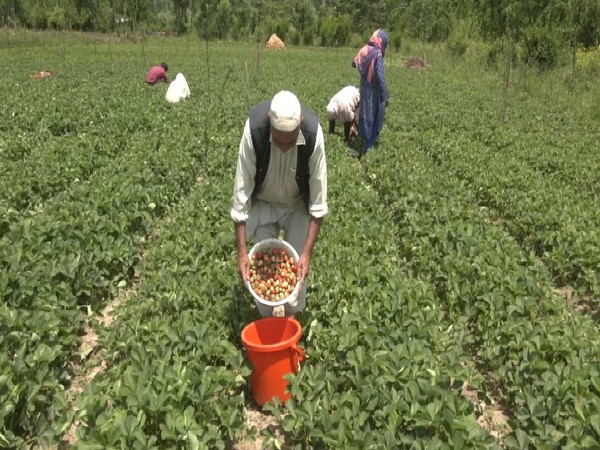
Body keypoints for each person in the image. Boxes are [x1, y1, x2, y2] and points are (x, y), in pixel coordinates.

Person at [231, 90, 328, 317]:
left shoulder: (313, 134)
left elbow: (319, 202)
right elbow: (240, 196)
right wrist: (242, 251)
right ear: (269, 120)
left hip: (297, 205)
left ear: (300, 123)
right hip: (264, 203)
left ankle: (292, 321)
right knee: (264, 274)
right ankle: (267, 320)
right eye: (279, 141)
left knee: (296, 274)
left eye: (290, 142)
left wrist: (307, 253)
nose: (284, 147)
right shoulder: (254, 131)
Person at [351, 29, 390, 158]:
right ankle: (367, 146)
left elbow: (354, 63)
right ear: (381, 41)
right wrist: (385, 95)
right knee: (374, 117)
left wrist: (364, 71)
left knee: (364, 115)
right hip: (374, 90)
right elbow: (380, 75)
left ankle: (360, 142)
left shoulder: (365, 49)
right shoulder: (377, 54)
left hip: (364, 87)